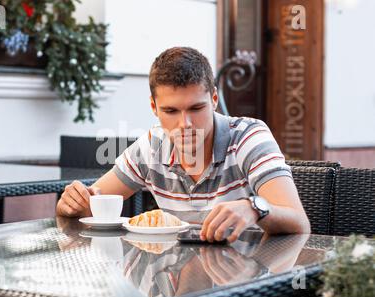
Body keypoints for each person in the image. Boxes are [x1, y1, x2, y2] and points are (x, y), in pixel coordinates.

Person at [56, 47, 311, 243]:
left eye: (196, 108)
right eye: (170, 111)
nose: (185, 124)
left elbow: (299, 222)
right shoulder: (151, 146)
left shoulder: (248, 137)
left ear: (213, 98)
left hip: (246, 281)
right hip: (177, 286)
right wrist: (70, 203)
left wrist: (254, 207)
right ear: (154, 107)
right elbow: (92, 204)